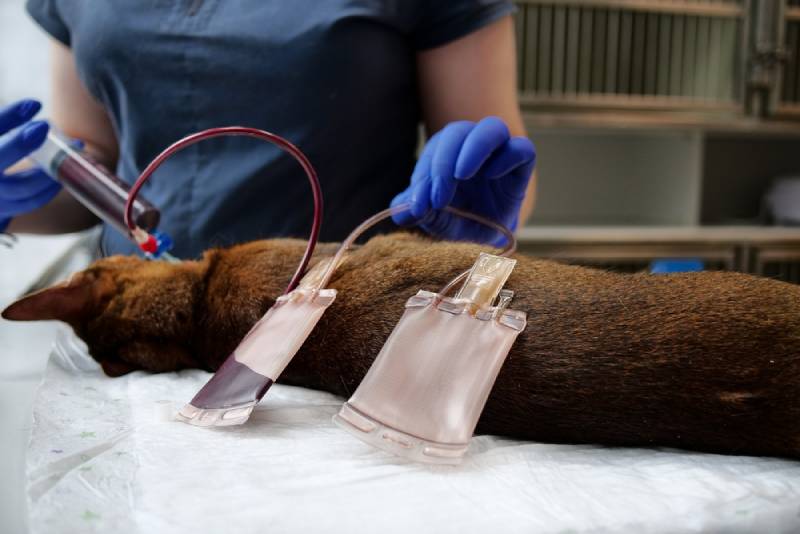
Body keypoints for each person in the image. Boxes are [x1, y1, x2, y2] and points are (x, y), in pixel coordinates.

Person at [1, 1, 536, 258]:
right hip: (133, 327)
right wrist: (13, 194)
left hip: (332, 326)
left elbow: (494, 166)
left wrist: (472, 217)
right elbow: (87, 154)